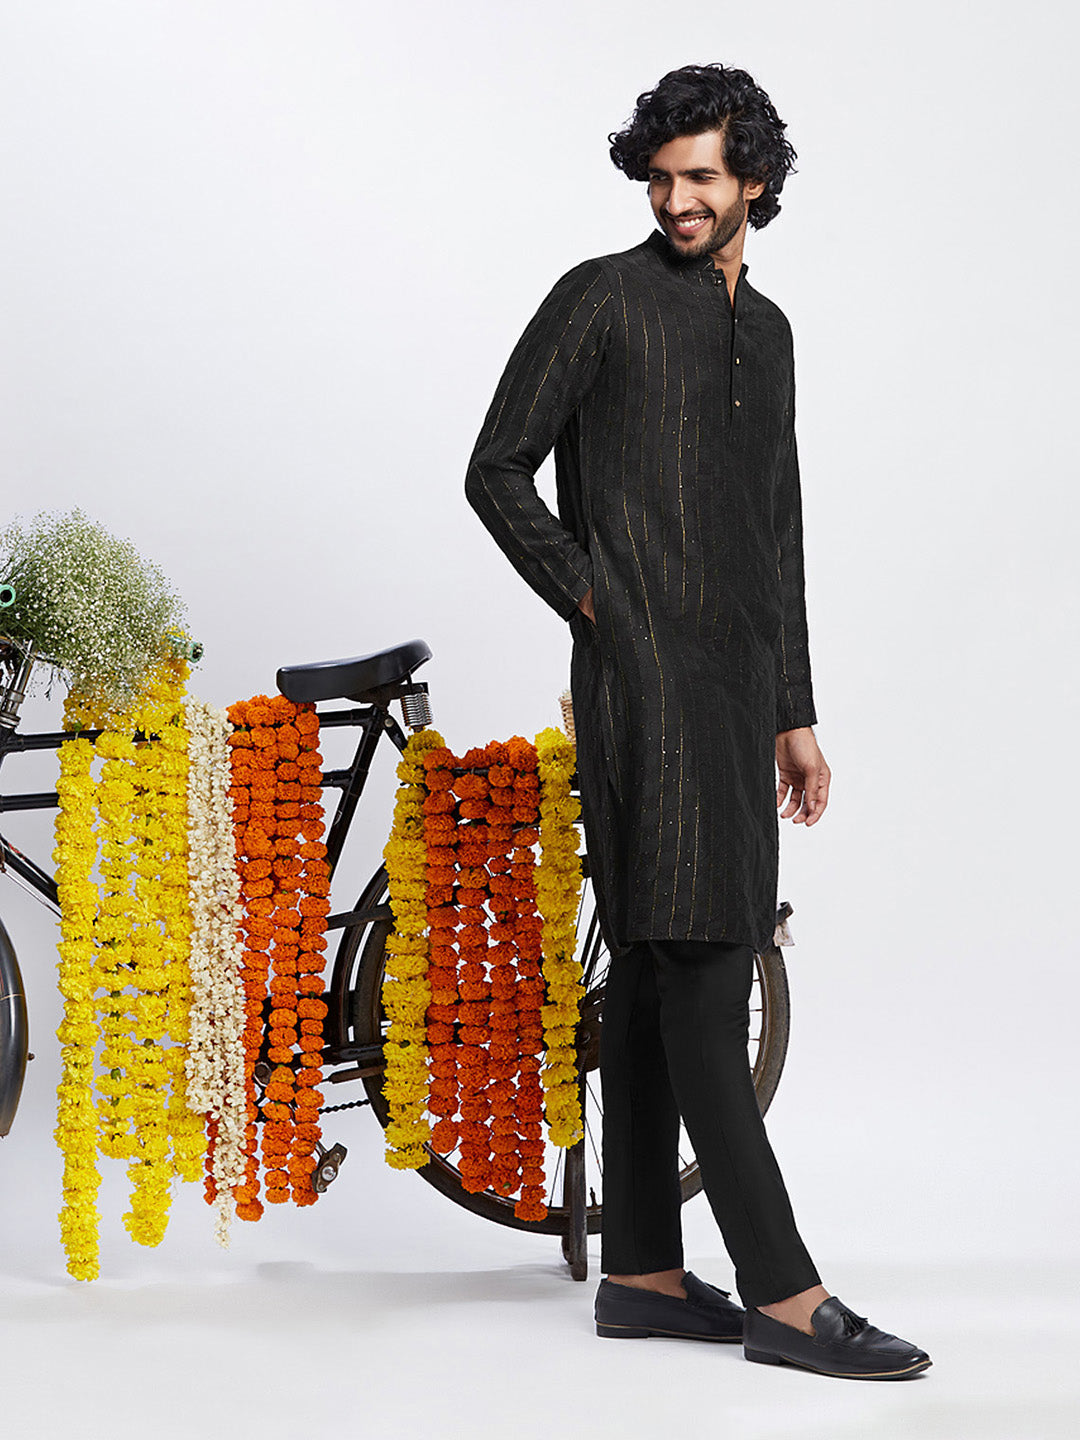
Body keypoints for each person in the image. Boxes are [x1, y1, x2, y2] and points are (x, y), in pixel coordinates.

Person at [464, 62, 930, 1381]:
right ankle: (785, 1294)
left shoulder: (767, 333)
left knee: (657, 975)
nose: (678, 200)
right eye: (663, 179)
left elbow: (777, 531)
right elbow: (495, 469)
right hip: (644, 686)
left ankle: (643, 1275)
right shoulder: (601, 299)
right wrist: (599, 602)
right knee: (706, 965)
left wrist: (795, 713)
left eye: (703, 178)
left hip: (737, 693)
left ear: (754, 184)